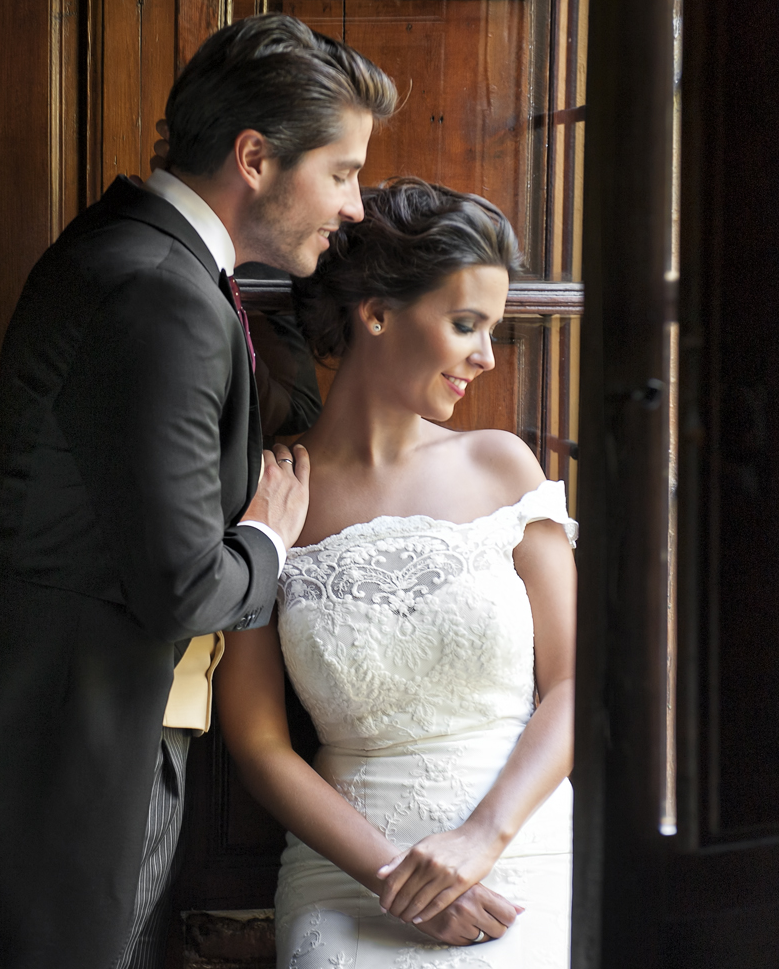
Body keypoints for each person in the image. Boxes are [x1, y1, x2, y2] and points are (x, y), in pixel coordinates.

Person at [0, 15, 396, 969]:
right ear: (255, 157)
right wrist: (270, 542)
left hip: (71, 742)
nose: (357, 207)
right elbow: (181, 587)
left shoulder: (151, 262)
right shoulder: (156, 291)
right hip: (67, 762)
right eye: (342, 172)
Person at [215, 179, 577, 968]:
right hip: (348, 871)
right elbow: (258, 741)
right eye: (465, 325)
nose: (486, 356)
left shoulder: (501, 467)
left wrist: (481, 839)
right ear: (376, 314)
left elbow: (578, 684)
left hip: (524, 851)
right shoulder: (276, 493)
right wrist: (387, 873)